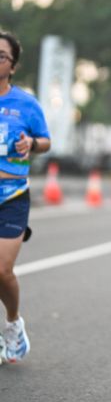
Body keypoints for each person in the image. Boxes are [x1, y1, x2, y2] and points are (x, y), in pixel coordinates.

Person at [0, 32, 50, 363]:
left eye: (1, 56)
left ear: (13, 66)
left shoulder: (26, 104)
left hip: (12, 193)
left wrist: (31, 144)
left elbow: (45, 141)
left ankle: (13, 323)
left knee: (2, 271)